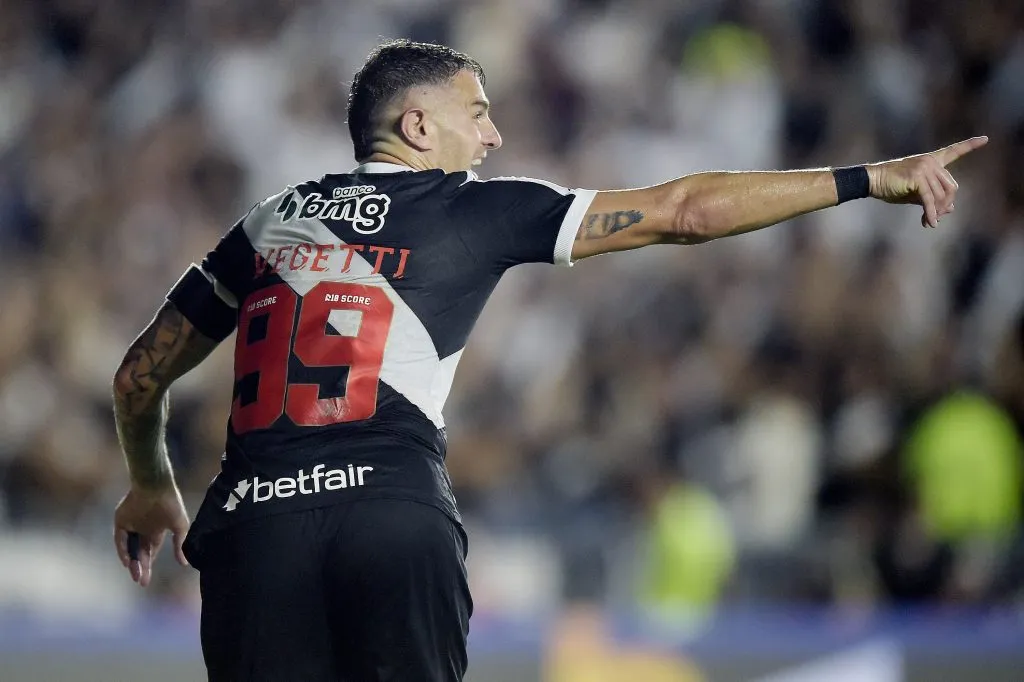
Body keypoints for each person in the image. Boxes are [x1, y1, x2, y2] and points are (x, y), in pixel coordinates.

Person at [110, 38, 986, 681]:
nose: (492, 138)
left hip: (254, 533)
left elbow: (139, 374)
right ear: (418, 125)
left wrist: (152, 481)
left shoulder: (270, 221)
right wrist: (870, 177)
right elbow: (684, 209)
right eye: (477, 113)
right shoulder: (472, 209)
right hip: (392, 520)